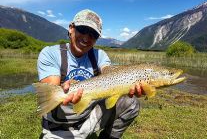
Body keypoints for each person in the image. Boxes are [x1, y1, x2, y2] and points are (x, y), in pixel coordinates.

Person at [37, 9, 146, 139]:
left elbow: (109, 72)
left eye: (93, 34)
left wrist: (130, 82)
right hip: (58, 128)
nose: (86, 38)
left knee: (130, 103)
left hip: (89, 119)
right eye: (82, 29)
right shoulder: (50, 54)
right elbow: (51, 91)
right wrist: (64, 88)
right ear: (71, 28)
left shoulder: (99, 56)